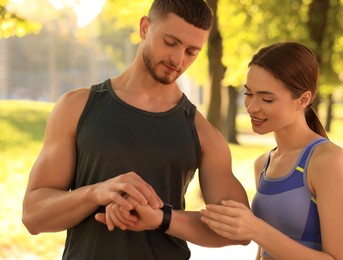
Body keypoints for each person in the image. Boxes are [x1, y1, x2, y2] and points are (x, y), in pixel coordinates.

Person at [22, 0, 249, 259]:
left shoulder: (202, 133)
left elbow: (239, 232)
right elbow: (33, 216)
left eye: (191, 51)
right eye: (171, 42)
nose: (178, 59)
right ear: (144, 27)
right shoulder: (76, 107)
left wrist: (162, 218)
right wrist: (96, 192)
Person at [200, 42, 343, 259]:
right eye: (248, 93)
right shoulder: (263, 164)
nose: (251, 107)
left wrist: (256, 229)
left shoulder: (328, 161)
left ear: (303, 100)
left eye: (267, 98)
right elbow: (264, 251)